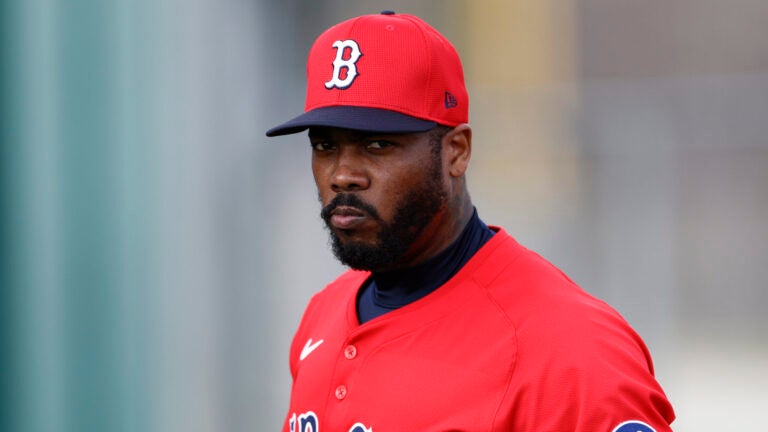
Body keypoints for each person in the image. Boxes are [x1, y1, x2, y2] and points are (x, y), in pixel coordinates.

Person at [266, 11, 675, 432]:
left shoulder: (569, 351)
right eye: (325, 145)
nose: (342, 174)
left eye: (377, 144)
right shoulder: (325, 313)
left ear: (456, 151)